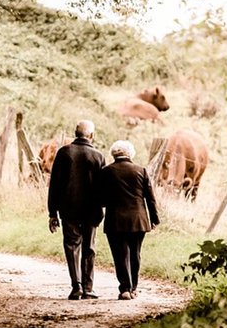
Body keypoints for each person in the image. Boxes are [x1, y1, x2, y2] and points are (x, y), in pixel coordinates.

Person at [48, 120, 106, 300]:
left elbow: (54, 185)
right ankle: (88, 288)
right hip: (91, 210)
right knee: (89, 247)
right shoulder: (98, 156)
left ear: (75, 133)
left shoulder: (64, 153)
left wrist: (52, 213)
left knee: (72, 246)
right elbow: (103, 187)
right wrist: (102, 207)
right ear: (92, 136)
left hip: (68, 208)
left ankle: (76, 286)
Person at [99, 140, 160, 300]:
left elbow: (101, 198)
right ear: (130, 154)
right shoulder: (141, 171)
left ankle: (125, 288)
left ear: (114, 154)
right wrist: (154, 218)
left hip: (115, 220)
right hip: (138, 219)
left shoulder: (106, 172)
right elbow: (150, 198)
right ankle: (133, 288)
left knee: (120, 255)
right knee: (135, 253)